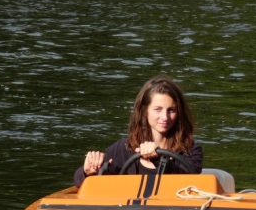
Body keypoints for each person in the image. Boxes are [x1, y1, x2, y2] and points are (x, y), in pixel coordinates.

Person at [74, 76, 203, 188]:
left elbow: (190, 181)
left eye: (171, 110)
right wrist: (88, 172)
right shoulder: (124, 148)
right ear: (145, 111)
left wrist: (158, 159)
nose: (165, 117)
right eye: (157, 109)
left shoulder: (190, 151)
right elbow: (80, 180)